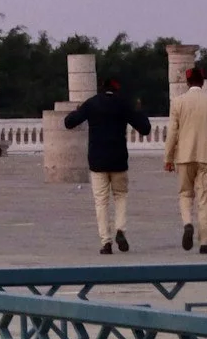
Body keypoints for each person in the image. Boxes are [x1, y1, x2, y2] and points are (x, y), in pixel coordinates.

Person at [63, 75, 153, 254]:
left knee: (101, 201)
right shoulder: (123, 104)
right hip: (119, 159)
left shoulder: (92, 103)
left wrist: (78, 110)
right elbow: (145, 128)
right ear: (117, 89)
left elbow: (69, 123)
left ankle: (106, 242)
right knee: (120, 196)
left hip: (97, 160)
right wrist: (139, 110)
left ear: (101, 88)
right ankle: (120, 229)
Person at [165, 65, 207, 254]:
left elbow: (172, 133)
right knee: (205, 198)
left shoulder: (178, 102)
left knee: (185, 194)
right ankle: (204, 242)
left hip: (184, 156)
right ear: (203, 81)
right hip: (206, 157)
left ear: (187, 82)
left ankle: (187, 224)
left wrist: (168, 158)